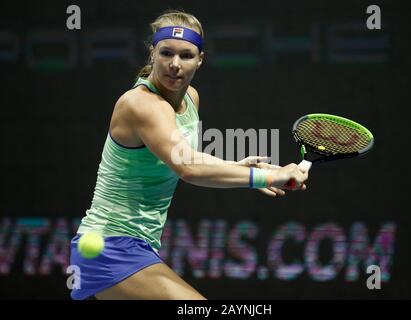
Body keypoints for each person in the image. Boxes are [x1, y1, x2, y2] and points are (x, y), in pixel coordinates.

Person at [69, 9, 310, 300]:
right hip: (109, 246)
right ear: (152, 53)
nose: (174, 64)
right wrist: (269, 175)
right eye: (166, 53)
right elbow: (188, 168)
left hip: (138, 245)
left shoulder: (190, 98)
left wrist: (233, 165)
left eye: (185, 55)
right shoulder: (141, 104)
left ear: (200, 59)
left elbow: (183, 155)